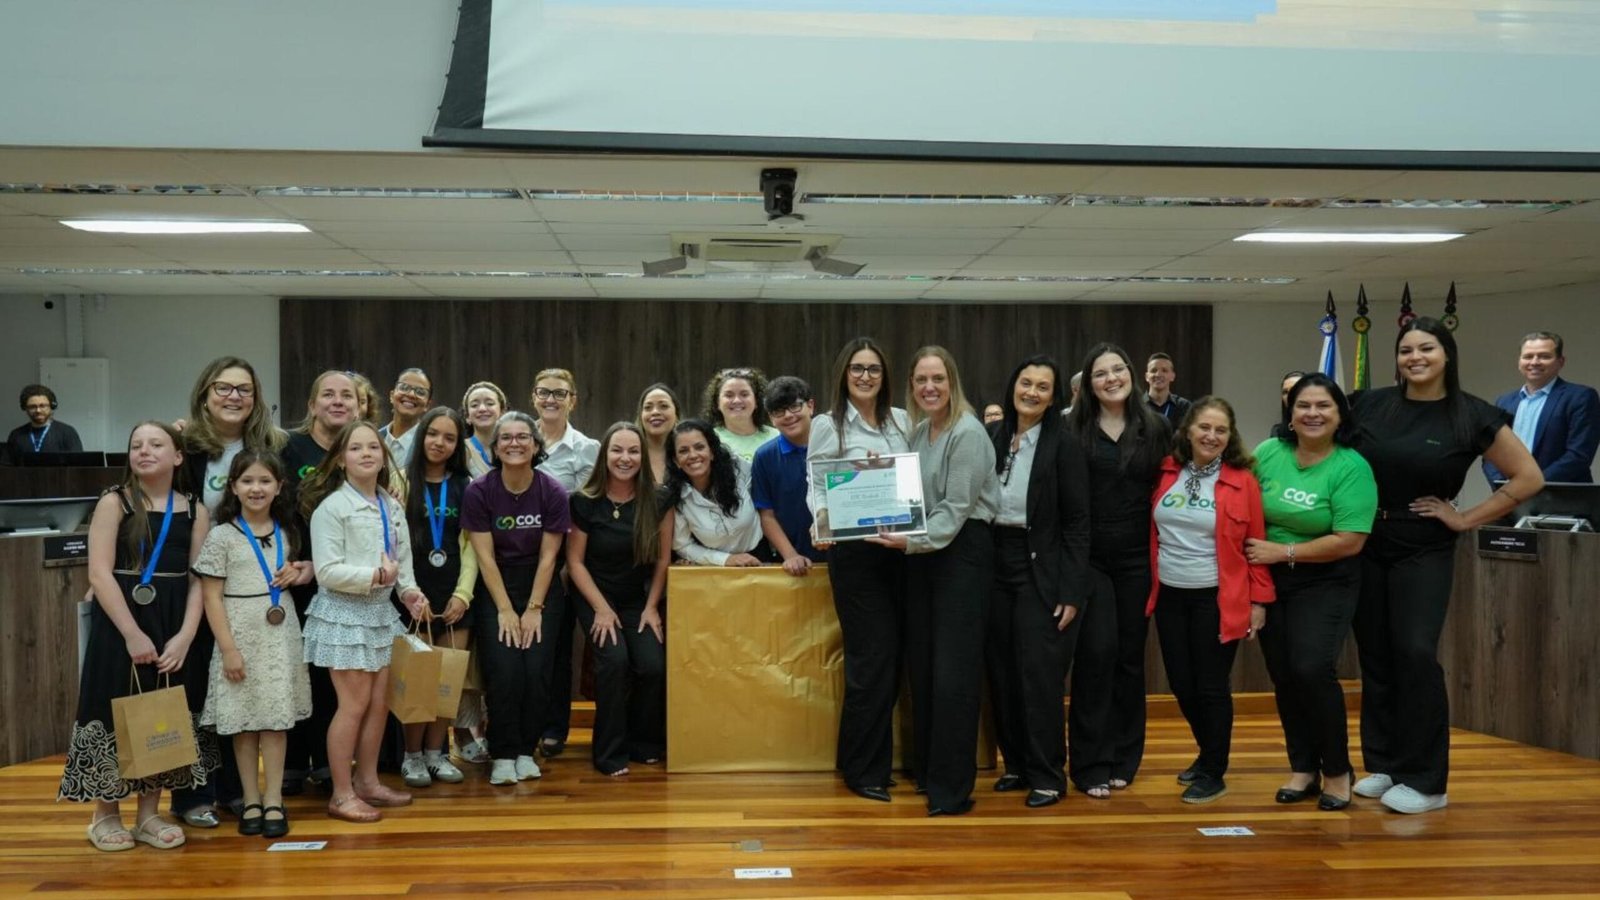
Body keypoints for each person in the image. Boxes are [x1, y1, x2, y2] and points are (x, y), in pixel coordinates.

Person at [1351, 318, 1543, 814]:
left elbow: (1527, 478)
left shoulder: (1473, 414)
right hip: (1366, 540)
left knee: (1414, 651)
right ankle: (1386, 764)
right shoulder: (1369, 404)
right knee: (1376, 656)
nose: (1415, 357)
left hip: (1424, 546)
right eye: (1406, 350)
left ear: (1447, 354)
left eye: (1427, 348)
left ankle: (1428, 781)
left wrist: (1464, 519)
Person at [59, 422, 211, 852]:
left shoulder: (196, 509)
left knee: (162, 712)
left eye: (156, 444)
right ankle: (104, 814)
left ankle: (149, 813)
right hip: (121, 619)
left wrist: (185, 635)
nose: (144, 451)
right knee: (112, 708)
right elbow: (98, 573)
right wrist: (131, 633)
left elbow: (199, 580)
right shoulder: (115, 501)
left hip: (173, 620)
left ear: (178, 456)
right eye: (136, 445)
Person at [868, 346, 997, 816]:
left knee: (954, 676)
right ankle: (929, 771)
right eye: (921, 379)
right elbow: (907, 496)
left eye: (938, 378)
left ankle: (952, 790)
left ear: (952, 381)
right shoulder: (921, 432)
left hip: (961, 554)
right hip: (923, 558)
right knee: (923, 669)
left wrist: (911, 543)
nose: (929, 387)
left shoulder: (967, 432)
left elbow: (955, 509)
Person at [1245, 373, 1376, 812]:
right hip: (1271, 579)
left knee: (1310, 668)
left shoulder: (1351, 466)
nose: (1313, 414)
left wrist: (1283, 551)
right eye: (1304, 406)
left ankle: (1337, 771)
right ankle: (1303, 766)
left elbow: (1351, 539)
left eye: (1323, 406)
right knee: (1283, 672)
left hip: (1326, 579)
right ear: (1291, 413)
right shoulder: (1268, 452)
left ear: (1340, 415)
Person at [171, 355, 290, 828]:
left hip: (255, 589)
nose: (234, 397)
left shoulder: (271, 446)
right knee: (200, 692)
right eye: (223, 388)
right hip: (194, 581)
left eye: (244, 389)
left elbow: (291, 516)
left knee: (240, 695)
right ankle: (193, 794)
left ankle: (238, 792)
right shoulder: (186, 447)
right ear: (205, 393)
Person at [298, 421, 430, 822]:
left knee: (377, 705)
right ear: (341, 460)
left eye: (373, 446)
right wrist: (374, 576)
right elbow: (327, 570)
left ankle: (368, 783)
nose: (367, 454)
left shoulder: (390, 504)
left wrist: (409, 592)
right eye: (355, 449)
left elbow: (401, 559)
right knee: (353, 705)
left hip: (379, 613)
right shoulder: (332, 508)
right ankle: (341, 794)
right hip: (344, 614)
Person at [1146, 396, 1274, 804]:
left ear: (1230, 436)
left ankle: (1214, 770)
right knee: (1182, 683)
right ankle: (1206, 755)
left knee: (1210, 686)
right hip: (1168, 594)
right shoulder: (1167, 471)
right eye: (1204, 428)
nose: (1212, 436)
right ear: (1187, 430)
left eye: (1221, 430)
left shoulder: (1243, 481)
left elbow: (1256, 544)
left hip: (1217, 598)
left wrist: (1259, 602)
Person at [806, 337, 912, 803]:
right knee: (871, 661)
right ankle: (863, 771)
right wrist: (821, 524)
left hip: (900, 551)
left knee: (892, 662)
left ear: (884, 375)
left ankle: (867, 762)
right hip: (854, 557)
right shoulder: (828, 424)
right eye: (857, 369)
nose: (865, 376)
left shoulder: (903, 422)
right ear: (843, 375)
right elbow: (817, 485)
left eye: (873, 369)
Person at [1066, 343, 1171, 798]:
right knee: (1096, 655)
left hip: (1137, 559)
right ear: (1088, 384)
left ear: (1131, 373)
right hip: (1087, 559)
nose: (1111, 378)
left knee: (1130, 659)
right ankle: (1089, 762)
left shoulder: (1157, 427)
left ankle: (1124, 759)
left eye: (1118, 369)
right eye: (1100, 373)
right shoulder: (1070, 428)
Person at [985, 355, 1089, 809]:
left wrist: (1070, 591)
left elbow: (1078, 524)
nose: (1031, 392)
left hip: (1039, 569)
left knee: (1040, 676)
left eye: (1042, 387)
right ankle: (1017, 765)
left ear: (1053, 397)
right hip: (992, 563)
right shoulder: (990, 435)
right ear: (1013, 385)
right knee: (1003, 672)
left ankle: (1048, 775)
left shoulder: (1064, 445)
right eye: (1025, 382)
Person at [194, 451, 314, 838]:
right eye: (247, 481)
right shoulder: (222, 535)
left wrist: (299, 570)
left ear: (279, 487)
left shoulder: (288, 530)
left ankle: (274, 797)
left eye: (265, 481)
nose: (256, 488)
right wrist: (228, 648)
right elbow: (211, 597)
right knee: (244, 724)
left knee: (275, 722)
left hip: (279, 633)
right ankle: (250, 798)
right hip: (239, 633)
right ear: (233, 486)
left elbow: (305, 568)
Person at [461, 412, 571, 787]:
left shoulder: (552, 491)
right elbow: (485, 557)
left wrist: (534, 609)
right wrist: (506, 610)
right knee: (504, 672)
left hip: (543, 589)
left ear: (536, 445)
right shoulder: (479, 490)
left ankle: (526, 749)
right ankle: (503, 753)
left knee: (536, 671)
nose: (514, 443)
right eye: (505, 438)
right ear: (495, 448)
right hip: (496, 589)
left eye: (522, 437)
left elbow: (549, 557)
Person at [566, 422, 670, 775]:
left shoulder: (658, 499)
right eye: (617, 450)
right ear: (604, 455)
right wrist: (601, 609)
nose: (625, 458)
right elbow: (575, 563)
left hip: (637, 599)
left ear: (643, 456)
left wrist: (652, 606)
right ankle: (609, 753)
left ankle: (644, 744)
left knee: (653, 666)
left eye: (633, 451)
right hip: (594, 596)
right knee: (614, 662)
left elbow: (663, 560)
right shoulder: (584, 501)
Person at [279, 370, 361, 795]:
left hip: (344, 578)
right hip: (294, 574)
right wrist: (298, 559)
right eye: (327, 394)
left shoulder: (360, 449)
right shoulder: (288, 447)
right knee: (296, 667)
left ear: (359, 406)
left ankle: (329, 764)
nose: (337, 401)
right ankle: (293, 763)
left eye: (346, 395)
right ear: (311, 405)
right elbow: (274, 506)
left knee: (334, 673)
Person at [397, 407, 477, 789]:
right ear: (421, 436)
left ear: (458, 444)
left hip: (454, 597)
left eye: (449, 437)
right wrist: (411, 593)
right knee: (419, 681)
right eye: (433, 434)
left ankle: (437, 754)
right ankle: (412, 757)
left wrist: (463, 594)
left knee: (447, 679)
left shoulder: (467, 486)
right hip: (412, 596)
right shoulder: (400, 481)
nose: (439, 443)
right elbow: (394, 545)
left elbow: (474, 547)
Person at [530, 367, 600, 758]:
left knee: (558, 650)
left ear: (573, 399)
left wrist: (566, 561)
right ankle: (523, 726)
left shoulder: (587, 449)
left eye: (560, 393)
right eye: (544, 392)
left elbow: (587, 510)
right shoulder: (520, 439)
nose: (551, 399)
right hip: (521, 562)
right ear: (533, 397)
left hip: (567, 563)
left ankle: (555, 728)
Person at [1482, 331, 1600, 485]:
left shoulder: (1581, 397)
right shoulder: (1504, 402)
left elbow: (1579, 455)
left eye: (1544, 356)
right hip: (1509, 499)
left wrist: (1529, 485)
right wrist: (1501, 484)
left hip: (1562, 500)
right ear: (1519, 362)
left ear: (1560, 361)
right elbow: (1491, 453)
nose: (1535, 362)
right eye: (1528, 356)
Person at [663, 420, 764, 565]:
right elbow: (682, 545)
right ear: (676, 461)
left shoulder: (739, 469)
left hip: (760, 558)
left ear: (711, 452)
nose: (693, 455)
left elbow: (767, 509)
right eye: (683, 451)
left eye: (699, 447)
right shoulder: (675, 495)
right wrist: (725, 560)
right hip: (714, 567)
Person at [751, 376, 823, 575]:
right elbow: (766, 515)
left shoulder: (836, 443)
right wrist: (790, 555)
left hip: (844, 555)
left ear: (811, 406)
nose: (788, 416)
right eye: (779, 411)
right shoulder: (765, 457)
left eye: (794, 407)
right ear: (771, 418)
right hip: (796, 561)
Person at [702, 367, 779, 461]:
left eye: (744, 394)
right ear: (717, 403)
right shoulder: (708, 440)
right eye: (729, 395)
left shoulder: (778, 438)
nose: (737, 400)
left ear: (756, 401)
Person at [8, 383, 83, 458]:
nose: (38, 410)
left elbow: (78, 463)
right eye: (32, 407)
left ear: (52, 406)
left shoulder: (67, 433)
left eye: (42, 406)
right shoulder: (16, 435)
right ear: (25, 408)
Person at [379, 368, 433, 467]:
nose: (411, 394)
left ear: (427, 405)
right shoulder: (376, 438)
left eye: (420, 392)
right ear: (391, 396)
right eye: (404, 387)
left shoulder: (429, 444)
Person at [636, 382, 682, 484]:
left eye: (664, 406)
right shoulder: (629, 454)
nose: (655, 412)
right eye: (648, 407)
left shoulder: (688, 453)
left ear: (676, 415)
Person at [461, 381, 509, 479]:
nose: (482, 409)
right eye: (474, 405)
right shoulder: (460, 450)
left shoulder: (515, 446)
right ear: (467, 416)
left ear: (503, 412)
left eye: (490, 403)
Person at [1145, 353, 1192, 425]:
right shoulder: (1136, 406)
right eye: (1154, 370)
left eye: (1164, 370)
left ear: (1172, 376)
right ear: (1147, 377)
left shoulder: (1184, 406)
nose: (1158, 374)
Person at [1270, 371, 1306, 440]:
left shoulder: (1318, 426)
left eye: (1295, 390)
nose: (1289, 396)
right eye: (1285, 392)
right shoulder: (1278, 431)